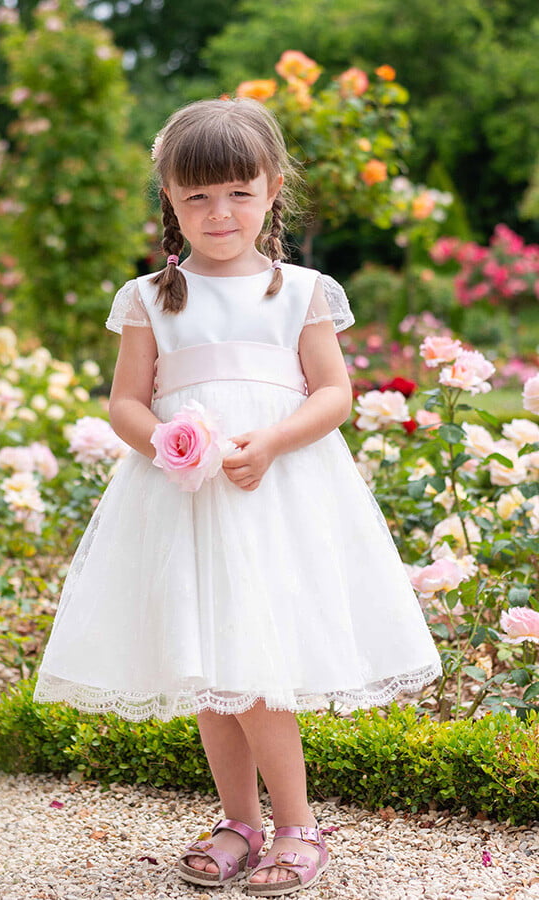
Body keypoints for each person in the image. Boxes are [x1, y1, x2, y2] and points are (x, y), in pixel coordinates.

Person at [33, 98, 442, 896]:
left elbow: (332, 393)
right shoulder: (152, 297)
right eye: (197, 197)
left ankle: (297, 827)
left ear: (272, 189)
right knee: (209, 671)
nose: (219, 213)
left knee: (257, 665)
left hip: (274, 497)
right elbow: (126, 402)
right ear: (171, 200)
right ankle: (238, 821)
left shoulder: (299, 291)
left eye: (238, 194)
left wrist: (273, 442)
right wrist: (167, 440)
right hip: (184, 498)